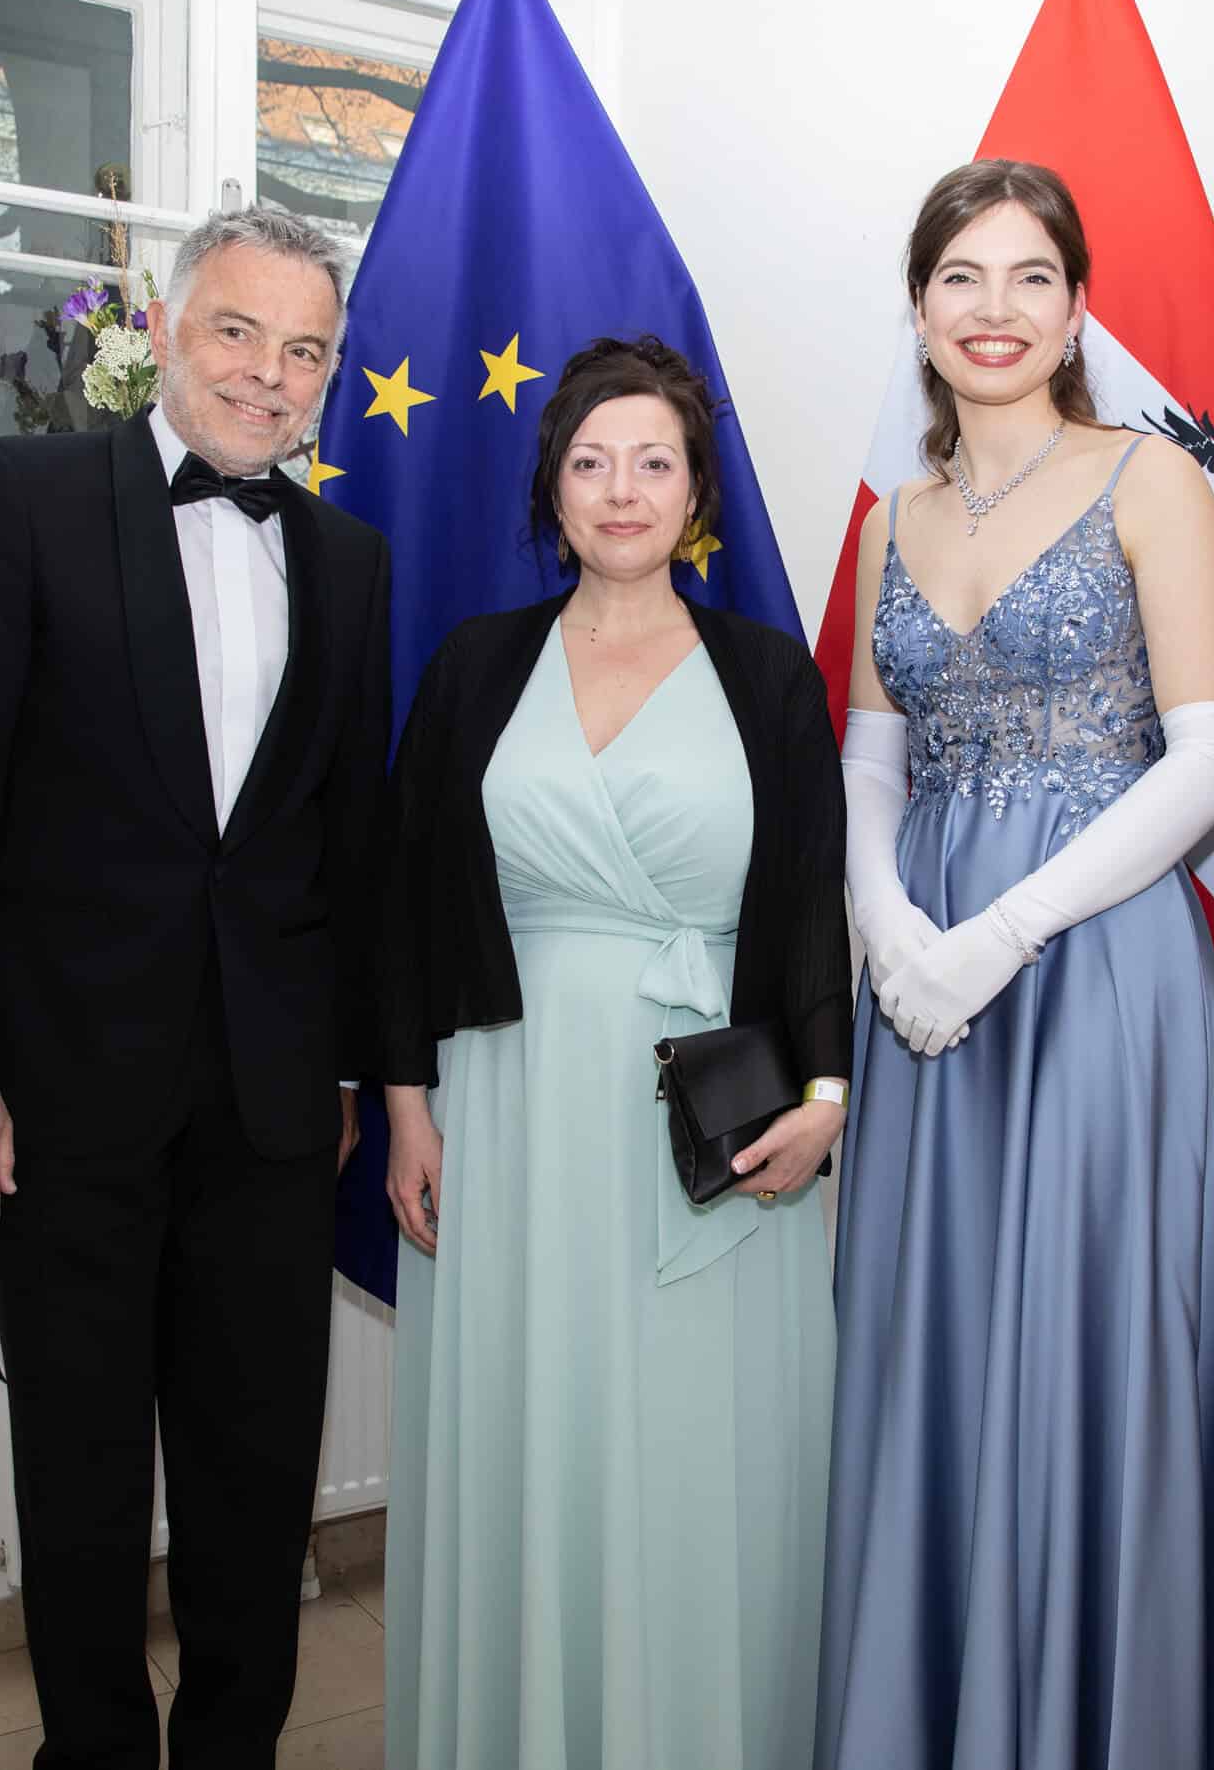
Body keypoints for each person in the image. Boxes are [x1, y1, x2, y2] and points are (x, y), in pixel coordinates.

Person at [0, 207, 390, 1768]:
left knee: (255, 1481)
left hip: (273, 1111)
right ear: (165, 325)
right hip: (59, 1099)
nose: (269, 373)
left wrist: (347, 1070)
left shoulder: (351, 561)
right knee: (83, 1484)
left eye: (305, 350)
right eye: (239, 330)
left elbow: (345, 837)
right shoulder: (20, 498)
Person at [815, 159, 1214, 1770]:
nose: (994, 309)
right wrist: (890, 927)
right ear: (920, 308)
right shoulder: (892, 520)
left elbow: (1210, 763)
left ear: (1077, 309)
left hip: (1092, 966)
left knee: (1088, 1347)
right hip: (924, 983)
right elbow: (871, 760)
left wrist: (1003, 933)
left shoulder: (1150, 479)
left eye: (1030, 277)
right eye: (961, 276)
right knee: (939, 1355)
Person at [376, 334, 850, 1770]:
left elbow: (810, 903)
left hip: (714, 1118)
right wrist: (407, 1107)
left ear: (696, 490)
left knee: (696, 1452)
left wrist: (827, 1096)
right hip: (508, 1107)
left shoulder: (766, 675)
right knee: (533, 1436)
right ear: (554, 489)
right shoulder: (476, 665)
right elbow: (404, 898)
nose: (622, 489)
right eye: (591, 462)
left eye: (653, 462)